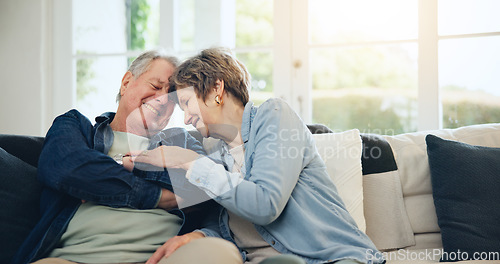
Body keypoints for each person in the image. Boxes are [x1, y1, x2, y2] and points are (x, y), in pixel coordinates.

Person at [134, 47, 385, 264]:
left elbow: (265, 205)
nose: (187, 118)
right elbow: (224, 227)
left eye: (187, 103)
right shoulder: (218, 158)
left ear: (215, 88)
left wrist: (188, 160)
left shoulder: (274, 115)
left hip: (332, 258)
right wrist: (195, 236)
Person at [12, 50, 242, 264]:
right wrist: (159, 197)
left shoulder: (182, 141)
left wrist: (106, 176)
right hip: (73, 257)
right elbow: (64, 168)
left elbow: (208, 188)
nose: (163, 99)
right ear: (126, 83)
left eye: (172, 98)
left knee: (221, 253)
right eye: (156, 85)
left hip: (160, 259)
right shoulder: (77, 128)